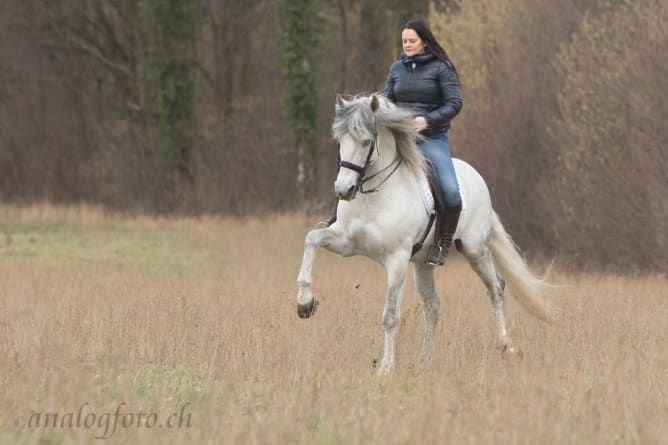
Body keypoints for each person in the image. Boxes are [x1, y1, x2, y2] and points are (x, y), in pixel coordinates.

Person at [383, 19, 463, 266]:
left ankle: (442, 242)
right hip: (399, 137)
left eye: (412, 41)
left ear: (425, 42)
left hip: (431, 137)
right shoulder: (396, 68)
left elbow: (454, 103)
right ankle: (336, 217)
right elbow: (387, 100)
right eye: (404, 41)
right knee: (358, 162)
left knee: (450, 190)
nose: (407, 45)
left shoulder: (442, 68)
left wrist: (426, 121)